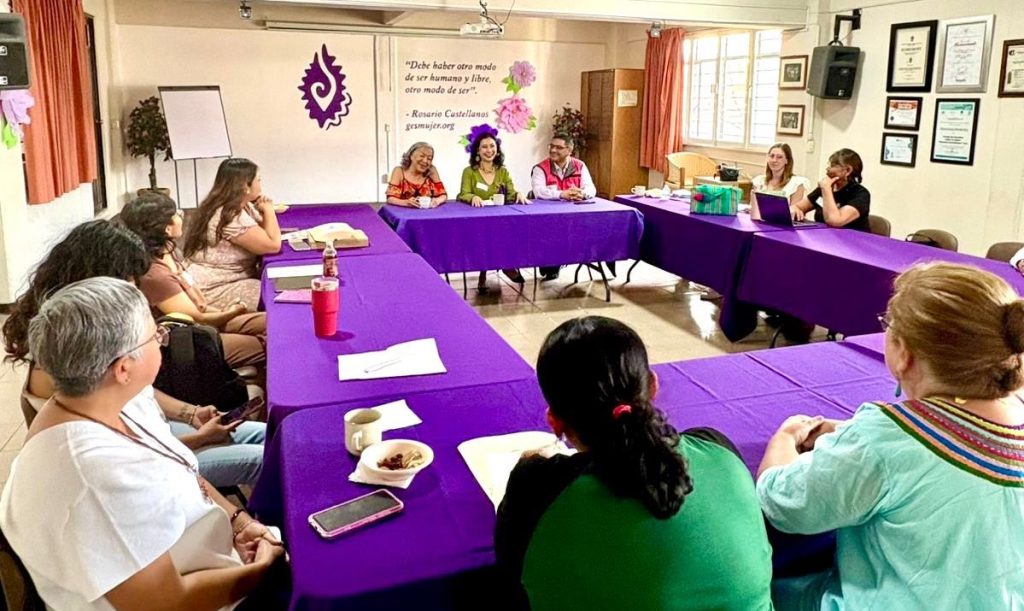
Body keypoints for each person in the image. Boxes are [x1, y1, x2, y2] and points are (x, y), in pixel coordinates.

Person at [0, 278, 286, 610]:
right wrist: (261, 571)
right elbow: (166, 602)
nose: (162, 340)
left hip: (221, 560)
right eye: (156, 335)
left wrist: (238, 520)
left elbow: (179, 466)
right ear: (123, 367)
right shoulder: (93, 478)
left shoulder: (110, 396)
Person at [757, 262, 1024, 611]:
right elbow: (945, 441)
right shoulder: (1013, 412)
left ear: (904, 352)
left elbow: (787, 506)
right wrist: (848, 431)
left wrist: (785, 437)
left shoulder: (883, 437)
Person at [495, 316, 773, 611]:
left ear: (555, 422)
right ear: (652, 387)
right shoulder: (716, 448)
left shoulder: (538, 490)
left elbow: (511, 572)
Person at [2, 220, 266, 488]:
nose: (135, 292)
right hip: (147, 458)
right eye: (128, 282)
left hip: (154, 435)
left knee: (275, 438)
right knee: (267, 459)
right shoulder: (71, 360)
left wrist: (190, 413)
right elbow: (127, 454)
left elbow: (139, 395)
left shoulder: (100, 342)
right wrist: (199, 439)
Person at [120, 192, 266, 371]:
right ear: (166, 228)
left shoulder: (168, 252)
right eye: (176, 214)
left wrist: (229, 312)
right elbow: (196, 320)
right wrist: (233, 312)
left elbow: (201, 308)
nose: (181, 216)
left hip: (209, 323)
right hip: (191, 341)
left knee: (276, 323)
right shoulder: (155, 275)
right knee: (271, 343)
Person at [182, 158, 282, 311]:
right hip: (213, 287)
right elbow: (273, 245)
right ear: (245, 186)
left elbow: (263, 232)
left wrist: (264, 211)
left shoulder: (236, 206)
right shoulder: (230, 216)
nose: (260, 185)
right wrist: (269, 209)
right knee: (273, 294)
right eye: (258, 180)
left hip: (222, 279)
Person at [458, 132, 529, 290]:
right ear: (477, 151)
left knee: (508, 232)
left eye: (492, 146)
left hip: (499, 219)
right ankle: (486, 271)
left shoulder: (503, 171)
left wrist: (518, 194)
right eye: (484, 147)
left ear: (497, 150)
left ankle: (505, 265)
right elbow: (463, 193)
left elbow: (511, 193)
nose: (488, 150)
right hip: (477, 220)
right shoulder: (469, 171)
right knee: (485, 236)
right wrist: (472, 197)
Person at [529, 133, 597, 279]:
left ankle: (563, 259)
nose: (553, 150)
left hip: (575, 216)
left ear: (569, 150)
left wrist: (582, 193)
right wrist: (562, 194)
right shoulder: (540, 168)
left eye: (558, 147)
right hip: (548, 217)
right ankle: (551, 261)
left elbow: (591, 189)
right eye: (551, 146)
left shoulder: (580, 166)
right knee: (553, 231)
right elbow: (539, 191)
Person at [788, 148, 870, 231]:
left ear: (848, 170)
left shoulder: (861, 194)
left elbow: (834, 221)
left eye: (833, 166)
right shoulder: (825, 188)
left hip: (851, 241)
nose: (828, 169)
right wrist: (794, 209)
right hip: (824, 237)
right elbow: (797, 206)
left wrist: (826, 189)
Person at [750, 142, 811, 218]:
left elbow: (793, 214)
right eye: (771, 156)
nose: (774, 160)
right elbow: (753, 209)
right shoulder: (759, 181)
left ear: (787, 160)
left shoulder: (797, 184)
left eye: (779, 157)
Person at [386, 142, 448, 207]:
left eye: (429, 158)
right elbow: (390, 198)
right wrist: (406, 202)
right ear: (411, 156)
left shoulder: (432, 170)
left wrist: (437, 201)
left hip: (427, 214)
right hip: (404, 214)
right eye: (422, 156)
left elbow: (443, 195)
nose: (425, 161)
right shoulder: (399, 171)